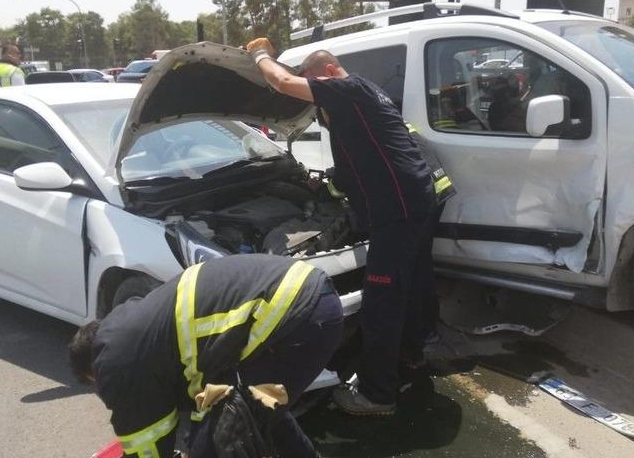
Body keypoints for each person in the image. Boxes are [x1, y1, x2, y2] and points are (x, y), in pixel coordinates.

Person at [245, 38, 436, 416]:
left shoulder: (347, 88)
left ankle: (377, 395)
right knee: (413, 288)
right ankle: (412, 356)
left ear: (330, 72)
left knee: (381, 302)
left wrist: (259, 55)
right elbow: (363, 153)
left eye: (316, 88)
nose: (319, 104)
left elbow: (282, 83)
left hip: (397, 211)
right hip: (417, 200)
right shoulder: (369, 95)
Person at [69, 254, 343, 458]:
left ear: (95, 368)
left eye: (96, 384)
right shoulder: (140, 329)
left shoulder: (116, 359)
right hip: (309, 300)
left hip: (298, 318)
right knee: (259, 409)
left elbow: (147, 442)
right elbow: (199, 394)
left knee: (219, 439)